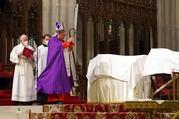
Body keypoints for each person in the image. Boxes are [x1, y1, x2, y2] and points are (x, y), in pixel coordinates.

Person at [37, 21, 72, 103]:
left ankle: (61, 99)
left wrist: (69, 46)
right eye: (63, 34)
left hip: (62, 64)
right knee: (54, 80)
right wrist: (67, 43)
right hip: (55, 64)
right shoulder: (53, 40)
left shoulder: (61, 40)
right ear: (58, 33)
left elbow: (66, 48)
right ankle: (53, 99)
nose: (64, 36)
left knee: (61, 80)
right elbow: (57, 47)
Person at [10, 34, 36, 104]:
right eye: (24, 39)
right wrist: (18, 55)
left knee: (28, 83)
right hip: (20, 66)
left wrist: (32, 58)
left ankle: (29, 99)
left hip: (28, 66)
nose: (25, 40)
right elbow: (12, 57)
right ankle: (19, 100)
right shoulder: (16, 48)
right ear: (20, 39)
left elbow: (34, 58)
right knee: (20, 83)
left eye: (26, 39)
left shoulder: (31, 48)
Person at [63, 28, 78, 95]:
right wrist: (67, 43)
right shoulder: (57, 43)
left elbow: (67, 50)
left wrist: (69, 48)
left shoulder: (63, 42)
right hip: (63, 64)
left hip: (68, 62)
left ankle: (70, 91)